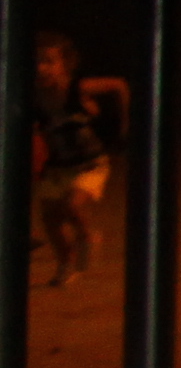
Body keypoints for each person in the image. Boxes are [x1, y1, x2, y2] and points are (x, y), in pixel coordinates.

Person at [28, 31, 120, 285]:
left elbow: (118, 85)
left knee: (72, 205)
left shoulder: (77, 89)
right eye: (36, 61)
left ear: (65, 64)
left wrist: (127, 122)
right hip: (57, 167)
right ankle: (65, 263)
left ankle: (87, 235)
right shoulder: (33, 95)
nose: (41, 68)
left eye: (49, 61)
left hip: (89, 164)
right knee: (50, 220)